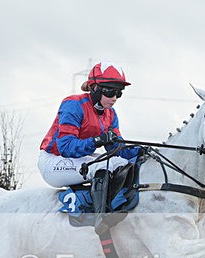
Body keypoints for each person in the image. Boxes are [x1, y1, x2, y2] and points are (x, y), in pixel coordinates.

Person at [38, 60, 140, 188]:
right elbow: (66, 147)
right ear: (95, 88)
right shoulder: (73, 104)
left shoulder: (111, 114)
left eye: (119, 93)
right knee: (106, 166)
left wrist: (141, 151)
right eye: (110, 91)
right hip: (54, 160)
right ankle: (99, 208)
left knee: (122, 163)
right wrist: (97, 141)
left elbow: (118, 150)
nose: (114, 98)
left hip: (79, 159)